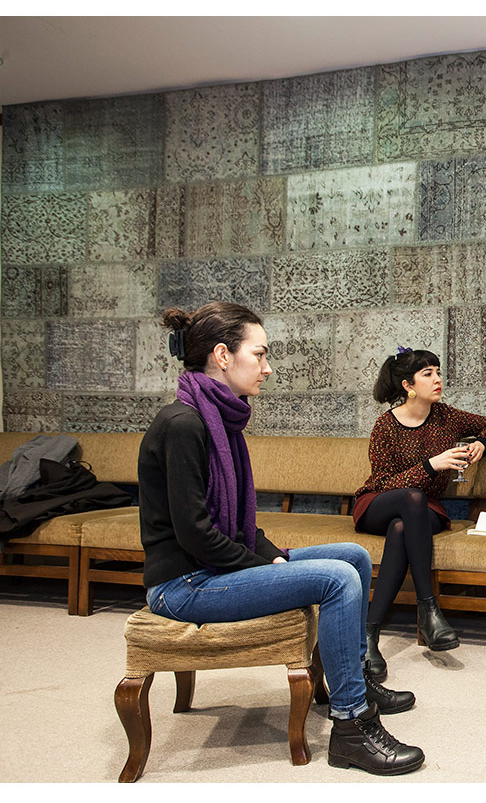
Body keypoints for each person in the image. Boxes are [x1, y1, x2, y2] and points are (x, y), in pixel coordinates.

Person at [138, 302, 424, 777]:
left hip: (210, 568)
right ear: (223, 356)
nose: (267, 368)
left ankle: (353, 682)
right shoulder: (183, 425)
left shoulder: (219, 419)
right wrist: (265, 565)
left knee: (352, 556)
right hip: (184, 585)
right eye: (260, 354)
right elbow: (195, 534)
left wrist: (269, 555)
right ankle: (352, 726)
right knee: (336, 579)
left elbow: (238, 524)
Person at [353, 347, 486, 677]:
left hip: (423, 510)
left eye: (438, 372)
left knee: (402, 528)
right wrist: (431, 465)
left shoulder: (446, 416)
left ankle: (368, 634)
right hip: (378, 503)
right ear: (408, 386)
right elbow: (383, 483)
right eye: (428, 374)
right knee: (411, 499)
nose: (437, 379)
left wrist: (482, 442)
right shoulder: (385, 426)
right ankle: (429, 609)